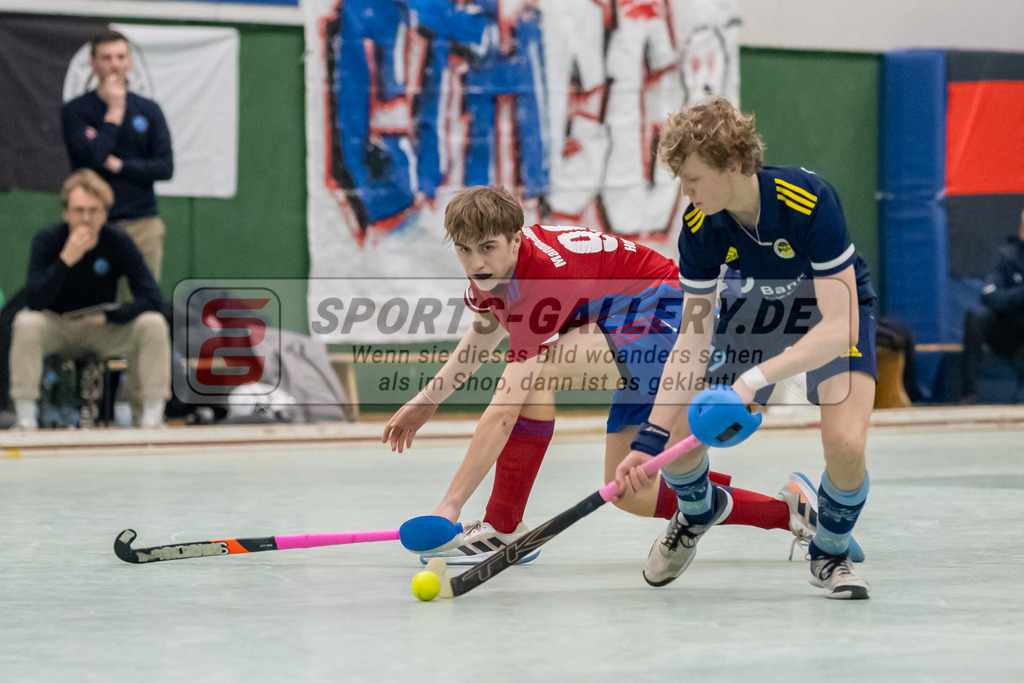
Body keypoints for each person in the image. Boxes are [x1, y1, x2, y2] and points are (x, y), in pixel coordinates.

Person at [382, 185, 863, 566]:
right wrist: (429, 399)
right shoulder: (496, 268)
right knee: (631, 491)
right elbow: (484, 332)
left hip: (665, 312)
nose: (476, 262)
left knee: (532, 376)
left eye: (487, 248)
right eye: (464, 251)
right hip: (624, 325)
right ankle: (791, 511)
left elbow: (504, 412)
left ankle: (504, 525)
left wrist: (449, 506)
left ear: (515, 237)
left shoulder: (540, 279)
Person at [615, 98, 877, 599]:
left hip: (832, 314)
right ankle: (697, 511)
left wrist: (750, 383)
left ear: (732, 164)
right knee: (674, 431)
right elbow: (692, 339)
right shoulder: (699, 225)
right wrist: (649, 438)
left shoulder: (808, 200)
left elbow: (839, 324)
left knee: (846, 445)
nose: (685, 192)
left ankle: (830, 552)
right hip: (755, 315)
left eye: (692, 179)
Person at [9, 169, 171, 430]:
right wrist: (66, 260)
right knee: (26, 322)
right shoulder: (48, 240)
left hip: (100, 328)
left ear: (105, 213)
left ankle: (153, 416)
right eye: (79, 210)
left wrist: (111, 315)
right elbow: (35, 299)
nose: (85, 218)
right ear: (66, 212)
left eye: (93, 210)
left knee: (153, 324)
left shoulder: (118, 241)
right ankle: (26, 417)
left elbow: (151, 296)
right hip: (57, 326)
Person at [61, 29, 173, 289]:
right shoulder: (76, 111)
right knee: (91, 303)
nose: (114, 64)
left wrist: (120, 165)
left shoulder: (149, 110)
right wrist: (114, 112)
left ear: (130, 62)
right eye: (107, 57)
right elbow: (93, 158)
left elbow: (165, 167)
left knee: (142, 303)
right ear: (93, 63)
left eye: (120, 57)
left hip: (142, 223)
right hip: (93, 224)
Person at [962, 208, 1024, 402]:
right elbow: (990, 296)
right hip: (1007, 328)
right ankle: (969, 393)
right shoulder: (1006, 257)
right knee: (974, 318)